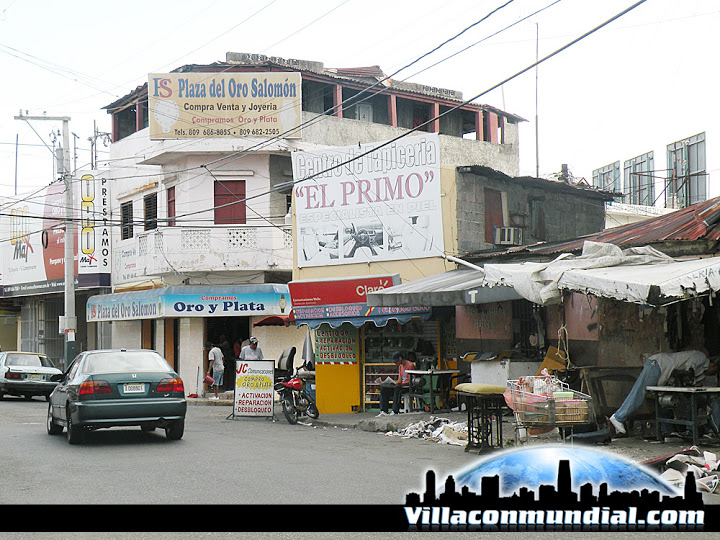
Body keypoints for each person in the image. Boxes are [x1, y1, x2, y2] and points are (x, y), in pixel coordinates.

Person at [609, 349, 719, 435]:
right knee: (640, 392)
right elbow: (687, 371)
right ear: (713, 364)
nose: (713, 374)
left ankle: (667, 432)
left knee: (662, 401)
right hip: (659, 364)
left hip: (664, 374)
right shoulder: (701, 357)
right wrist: (693, 382)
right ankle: (619, 417)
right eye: (714, 371)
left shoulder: (702, 373)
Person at [378, 351, 415, 416]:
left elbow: (411, 381)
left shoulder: (410, 365)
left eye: (396, 361)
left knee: (397, 390)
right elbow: (400, 379)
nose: (395, 363)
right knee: (384, 390)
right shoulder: (400, 366)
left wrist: (401, 384)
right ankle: (384, 410)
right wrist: (392, 383)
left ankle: (395, 410)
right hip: (401, 385)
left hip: (408, 386)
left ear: (400, 359)